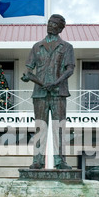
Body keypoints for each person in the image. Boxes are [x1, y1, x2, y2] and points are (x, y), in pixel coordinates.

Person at [21, 14, 75, 169]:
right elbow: (29, 68)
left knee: (58, 127)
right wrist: (27, 76)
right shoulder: (37, 47)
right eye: (49, 22)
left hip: (58, 93)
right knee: (40, 127)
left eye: (54, 23)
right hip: (40, 93)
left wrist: (56, 82)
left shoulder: (66, 47)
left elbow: (70, 69)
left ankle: (60, 161)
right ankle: (37, 160)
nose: (50, 25)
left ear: (60, 28)